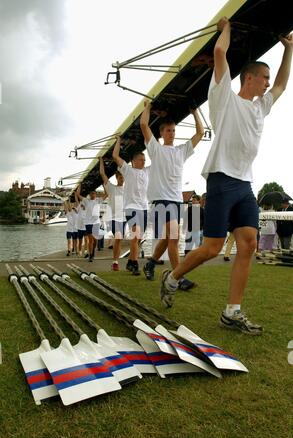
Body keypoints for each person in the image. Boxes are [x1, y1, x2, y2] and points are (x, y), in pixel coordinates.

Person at [160, 17, 293, 335]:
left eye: (267, 78)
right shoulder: (224, 99)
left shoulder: (261, 108)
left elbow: (282, 86)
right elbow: (220, 54)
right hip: (220, 179)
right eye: (263, 77)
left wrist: (289, 49)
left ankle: (232, 312)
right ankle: (173, 277)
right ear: (248, 78)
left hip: (245, 183)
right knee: (212, 248)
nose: (266, 83)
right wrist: (227, 27)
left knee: (248, 243)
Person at [140, 102, 204, 290]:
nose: (172, 133)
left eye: (174, 130)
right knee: (174, 238)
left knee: (169, 239)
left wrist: (194, 112)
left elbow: (200, 133)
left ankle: (151, 263)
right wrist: (148, 108)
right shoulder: (156, 149)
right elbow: (144, 125)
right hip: (161, 200)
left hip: (176, 200)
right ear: (161, 133)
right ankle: (178, 278)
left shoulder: (181, 151)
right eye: (168, 130)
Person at [112, 136, 149, 275]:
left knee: (138, 238)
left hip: (144, 208)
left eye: (145, 160)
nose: (143, 162)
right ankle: (135, 264)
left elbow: (157, 160)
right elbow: (115, 155)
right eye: (141, 160)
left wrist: (148, 140)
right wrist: (118, 141)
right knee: (135, 236)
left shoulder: (147, 171)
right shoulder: (127, 170)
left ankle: (130, 262)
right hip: (131, 207)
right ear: (133, 161)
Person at [99, 156, 126, 271]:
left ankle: (115, 261)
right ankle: (115, 261)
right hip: (113, 218)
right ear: (116, 178)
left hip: (124, 219)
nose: (122, 179)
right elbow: (102, 174)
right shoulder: (111, 188)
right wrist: (101, 161)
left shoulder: (127, 190)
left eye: (123, 178)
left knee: (119, 240)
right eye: (120, 177)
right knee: (118, 237)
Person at [76, 185, 101, 262]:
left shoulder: (98, 200)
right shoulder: (86, 201)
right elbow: (78, 195)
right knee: (91, 240)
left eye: (94, 193)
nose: (92, 195)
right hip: (88, 223)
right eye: (91, 193)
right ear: (89, 195)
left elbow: (107, 194)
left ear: (95, 194)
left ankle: (92, 252)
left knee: (95, 240)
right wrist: (80, 185)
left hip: (96, 223)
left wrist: (104, 185)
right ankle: (90, 255)